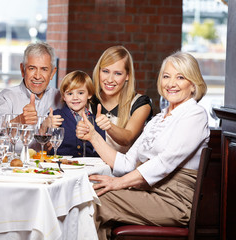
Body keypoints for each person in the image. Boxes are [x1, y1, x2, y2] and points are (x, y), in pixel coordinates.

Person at [76, 51, 209, 240]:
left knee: (93, 201)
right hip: (145, 192)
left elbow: (165, 162)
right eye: (166, 76)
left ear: (193, 83)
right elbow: (127, 164)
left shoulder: (195, 114)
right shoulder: (158, 119)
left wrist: (118, 183)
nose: (171, 83)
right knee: (86, 194)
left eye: (180, 77)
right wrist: (93, 137)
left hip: (173, 201)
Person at [0, 41, 62, 152]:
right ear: (22, 69)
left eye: (44, 69)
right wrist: (19, 120)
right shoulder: (6, 97)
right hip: (14, 166)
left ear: (52, 73)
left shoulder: (62, 98)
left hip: (50, 165)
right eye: (32, 68)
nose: (38, 76)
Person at [91, 45, 153, 154]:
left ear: (127, 76)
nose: (110, 79)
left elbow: (127, 138)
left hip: (124, 170)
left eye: (117, 73)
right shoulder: (89, 100)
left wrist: (108, 126)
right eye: (105, 71)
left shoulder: (141, 104)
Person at [49, 70, 105, 157]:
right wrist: (49, 127)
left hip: (88, 165)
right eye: (70, 93)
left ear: (89, 94)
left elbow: (101, 150)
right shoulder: (56, 116)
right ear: (64, 96)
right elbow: (46, 143)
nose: (75, 97)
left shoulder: (96, 120)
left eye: (80, 93)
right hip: (62, 165)